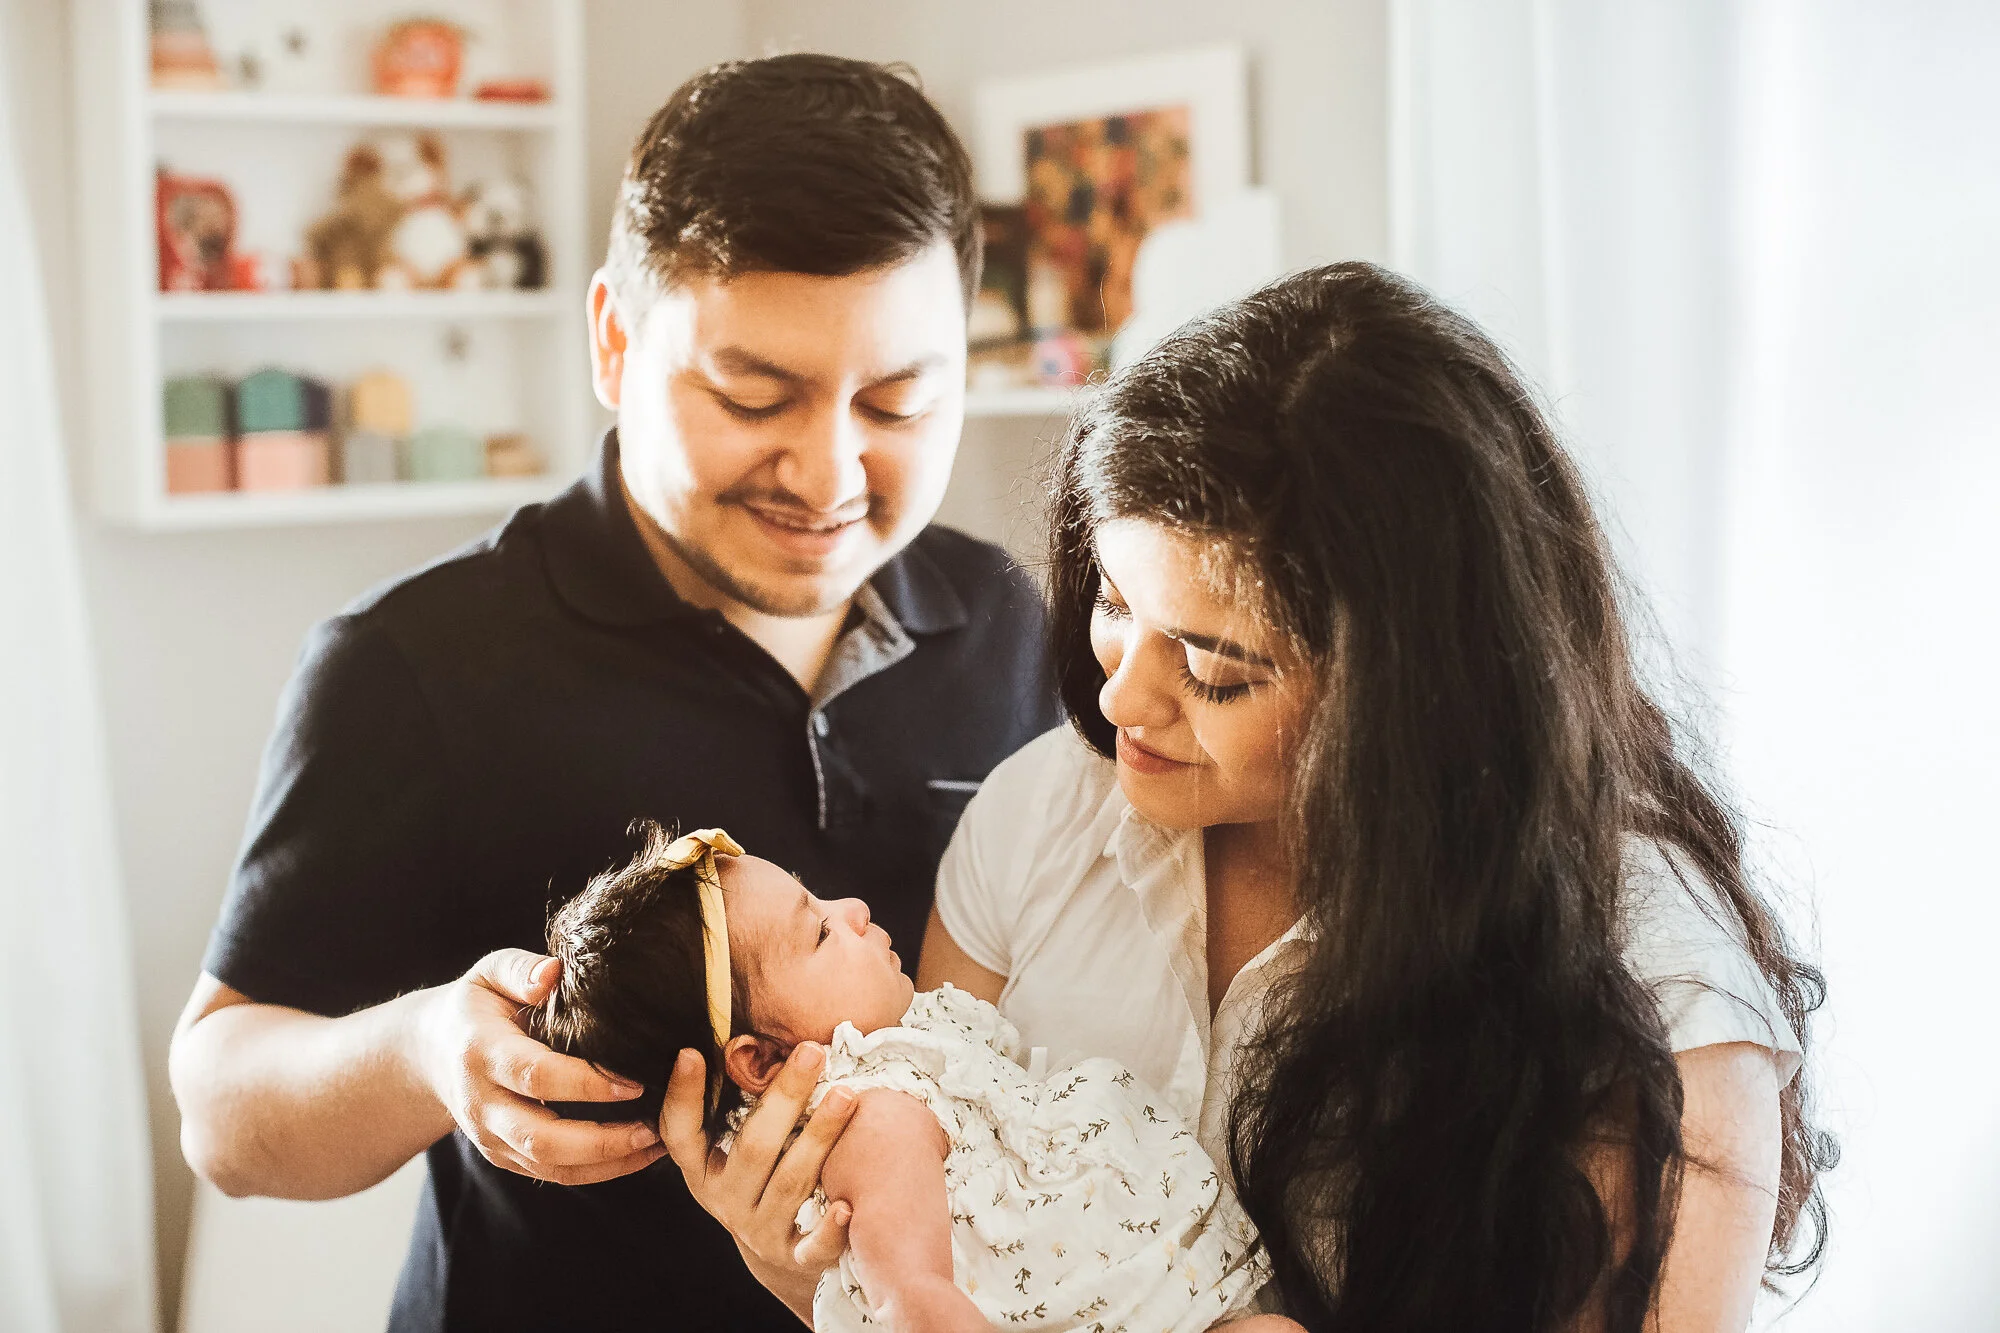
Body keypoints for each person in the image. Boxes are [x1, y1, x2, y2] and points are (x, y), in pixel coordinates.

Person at [674, 262, 1834, 1332]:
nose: (1120, 700)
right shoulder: (1042, 815)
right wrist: (813, 1257)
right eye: (1113, 604)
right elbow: (933, 1185)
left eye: (1216, 668)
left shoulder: (1657, 1000)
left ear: (1413, 696)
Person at [168, 54, 1058, 1332]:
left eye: (898, 399)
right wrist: (427, 1052)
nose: (828, 472)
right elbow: (223, 1114)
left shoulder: (1016, 631)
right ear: (612, 340)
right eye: (754, 395)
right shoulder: (414, 663)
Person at [523, 822, 1291, 1333]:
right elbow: (911, 1301)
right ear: (759, 1060)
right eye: (820, 930)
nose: (853, 907)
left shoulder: (911, 1053)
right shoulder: (869, 1112)